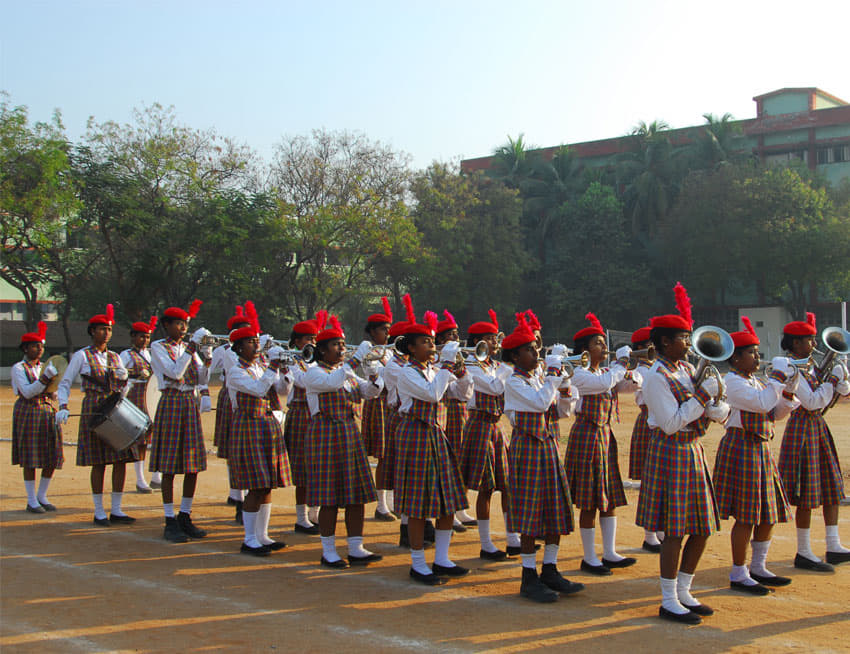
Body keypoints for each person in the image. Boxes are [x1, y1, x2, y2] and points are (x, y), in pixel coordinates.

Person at [635, 283, 730, 625]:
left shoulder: (687, 370)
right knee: (674, 531)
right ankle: (667, 598)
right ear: (663, 342)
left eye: (689, 339)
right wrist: (702, 400)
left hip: (692, 452)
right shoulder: (655, 376)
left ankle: (685, 590)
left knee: (703, 526)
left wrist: (717, 404)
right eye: (683, 339)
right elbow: (672, 423)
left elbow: (712, 411)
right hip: (671, 451)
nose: (689, 345)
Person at [502, 312, 584, 602]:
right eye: (529, 349)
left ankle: (550, 568)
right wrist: (552, 377)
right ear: (515, 355)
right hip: (527, 449)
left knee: (554, 507)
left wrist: (565, 390)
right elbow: (538, 404)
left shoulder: (539, 377)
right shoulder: (513, 381)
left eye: (536, 347)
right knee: (529, 512)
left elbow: (561, 412)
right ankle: (528, 575)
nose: (536, 352)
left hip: (548, 446)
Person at [714, 317, 797, 595]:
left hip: (760, 448)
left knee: (768, 512)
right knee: (746, 515)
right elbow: (762, 406)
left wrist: (789, 388)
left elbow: (776, 414)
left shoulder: (757, 381)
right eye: (751, 352)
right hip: (741, 447)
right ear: (735, 358)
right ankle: (739, 572)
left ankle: (758, 567)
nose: (757, 357)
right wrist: (777, 380)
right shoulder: (732, 382)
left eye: (757, 352)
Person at [395, 296, 470, 585]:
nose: (432, 346)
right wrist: (448, 366)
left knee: (447, 499)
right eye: (426, 342)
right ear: (412, 348)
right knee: (417, 503)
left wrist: (461, 370)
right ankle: (418, 563)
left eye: (432, 341)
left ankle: (441, 558)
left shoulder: (435, 370)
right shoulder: (406, 373)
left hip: (435, 434)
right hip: (414, 436)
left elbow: (464, 394)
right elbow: (431, 394)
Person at [304, 315, 384, 569]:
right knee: (329, 497)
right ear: (322, 350)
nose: (341, 349)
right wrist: (354, 360)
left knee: (355, 495)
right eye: (336, 345)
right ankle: (328, 551)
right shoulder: (314, 372)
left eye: (343, 344)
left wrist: (373, 371)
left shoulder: (346, 373)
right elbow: (331, 383)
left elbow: (371, 393)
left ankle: (355, 547)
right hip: (325, 435)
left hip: (349, 435)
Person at [565, 313, 638, 576]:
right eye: (598, 343)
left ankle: (609, 552)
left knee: (608, 497)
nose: (603, 347)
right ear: (585, 350)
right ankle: (589, 556)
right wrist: (621, 364)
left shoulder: (606, 371)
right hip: (587, 436)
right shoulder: (579, 373)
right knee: (589, 500)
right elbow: (603, 384)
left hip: (604, 437)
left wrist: (635, 372)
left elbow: (628, 387)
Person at [777, 312, 850, 571]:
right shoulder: (789, 367)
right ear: (795, 343)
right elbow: (811, 401)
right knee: (806, 493)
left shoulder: (808, 367)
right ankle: (804, 552)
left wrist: (841, 384)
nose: (815, 344)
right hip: (802, 431)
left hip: (816, 427)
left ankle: (834, 545)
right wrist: (832, 380)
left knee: (831, 487)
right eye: (809, 340)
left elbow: (824, 402)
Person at [57, 304, 138, 526]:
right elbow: (65, 382)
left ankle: (117, 509)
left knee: (121, 458)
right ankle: (99, 510)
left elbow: (125, 387)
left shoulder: (115, 356)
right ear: (92, 331)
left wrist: (124, 381)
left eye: (109, 329)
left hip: (115, 405)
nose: (106, 333)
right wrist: (63, 405)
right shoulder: (81, 356)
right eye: (101, 329)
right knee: (99, 461)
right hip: (94, 405)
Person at [226, 302, 293, 556]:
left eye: (257, 341)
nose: (256, 345)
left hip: (266, 425)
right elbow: (257, 389)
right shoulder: (235, 371)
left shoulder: (259, 366)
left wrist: (285, 369)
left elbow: (283, 390)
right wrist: (273, 366)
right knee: (255, 484)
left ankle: (262, 535)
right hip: (248, 427)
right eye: (251, 342)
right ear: (239, 347)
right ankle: (249, 538)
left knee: (267, 484)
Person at [148, 299, 211, 543]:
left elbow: (202, 377)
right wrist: (192, 347)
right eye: (177, 324)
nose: (183, 328)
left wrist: (207, 356)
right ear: (166, 325)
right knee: (170, 464)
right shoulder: (158, 346)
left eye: (185, 324)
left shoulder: (189, 348)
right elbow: (175, 372)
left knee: (192, 462)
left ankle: (185, 514)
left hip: (189, 403)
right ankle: (169, 519)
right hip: (172, 400)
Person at [459, 310, 516, 559]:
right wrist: (509, 369)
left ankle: (512, 538)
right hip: (479, 425)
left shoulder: (494, 365)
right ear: (477, 342)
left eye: (496, 338)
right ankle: (486, 543)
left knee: (506, 485)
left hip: (496, 426)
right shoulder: (471, 365)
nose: (496, 343)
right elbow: (493, 387)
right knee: (485, 487)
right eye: (491, 339)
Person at [11, 322, 63, 513]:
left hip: (47, 410)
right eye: (35, 346)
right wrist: (44, 380)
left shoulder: (45, 366)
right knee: (30, 456)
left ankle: (42, 495)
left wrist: (54, 389)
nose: (39, 349)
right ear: (25, 348)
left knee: (52, 454)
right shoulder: (19, 368)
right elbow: (26, 392)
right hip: (28, 411)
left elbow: (54, 392)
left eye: (41, 346)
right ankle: (31, 499)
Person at [435, 310, 476, 531]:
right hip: (443, 411)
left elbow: (464, 393)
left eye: (456, 334)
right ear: (440, 340)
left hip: (459, 410)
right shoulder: (435, 359)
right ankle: (448, 510)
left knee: (459, 459)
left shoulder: (461, 359)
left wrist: (460, 371)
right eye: (451, 335)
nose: (456, 339)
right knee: (447, 463)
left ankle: (458, 508)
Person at [210, 305, 252, 523]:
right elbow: (208, 370)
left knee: (242, 447)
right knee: (231, 446)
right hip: (230, 395)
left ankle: (239, 494)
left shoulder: (254, 350)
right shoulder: (224, 351)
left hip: (249, 392)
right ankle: (236, 494)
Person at [283, 312, 321, 534]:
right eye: (307, 339)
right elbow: (302, 381)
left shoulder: (318, 361)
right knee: (301, 468)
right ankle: (300, 517)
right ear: (296, 341)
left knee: (317, 466)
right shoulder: (292, 360)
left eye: (315, 339)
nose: (312, 343)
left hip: (316, 415)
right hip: (299, 414)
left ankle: (314, 512)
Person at [626, 325, 662, 552]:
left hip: (661, 420)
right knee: (651, 482)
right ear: (641, 349)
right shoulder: (643, 370)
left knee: (662, 481)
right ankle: (650, 535)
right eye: (651, 345)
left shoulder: (657, 367)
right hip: (650, 419)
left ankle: (659, 531)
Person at [359, 297, 395, 521]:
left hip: (391, 404)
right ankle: (381, 505)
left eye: (388, 329)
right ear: (372, 332)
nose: (388, 334)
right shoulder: (368, 353)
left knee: (391, 455)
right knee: (383, 455)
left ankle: (391, 502)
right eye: (383, 330)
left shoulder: (390, 352)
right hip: (378, 404)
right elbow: (378, 378)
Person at [120, 315, 157, 493]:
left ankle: (155, 475)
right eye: (141, 336)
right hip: (135, 395)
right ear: (133, 337)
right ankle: (140, 478)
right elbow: (120, 376)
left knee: (151, 436)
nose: (144, 340)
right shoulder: (126, 355)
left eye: (148, 337)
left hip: (150, 395)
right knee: (139, 439)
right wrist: (134, 375)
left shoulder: (150, 354)